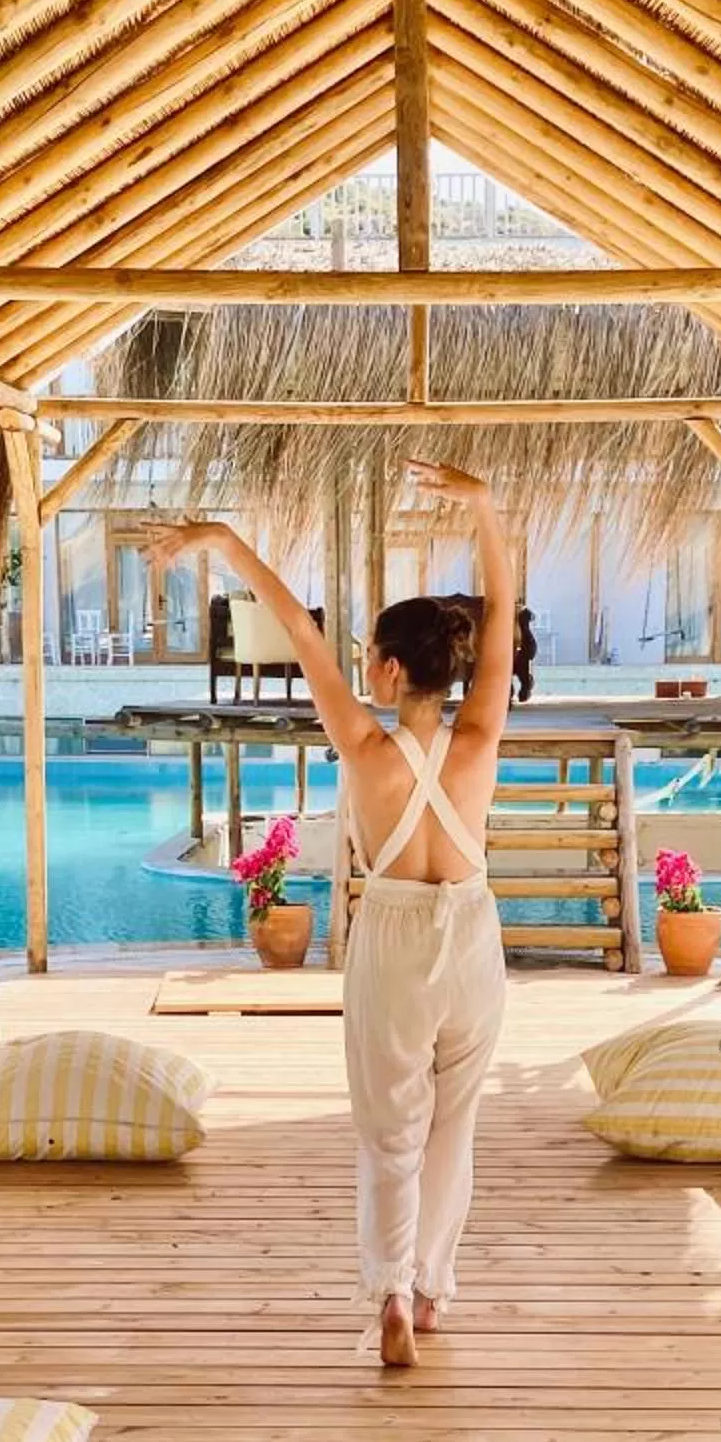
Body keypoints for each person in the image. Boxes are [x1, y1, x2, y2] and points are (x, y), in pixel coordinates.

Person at [150, 465, 514, 1369]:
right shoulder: (481, 736)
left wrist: (225, 543)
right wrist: (483, 509)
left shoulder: (360, 743)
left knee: (391, 1128)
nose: (360, 668)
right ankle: (429, 1292)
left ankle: (388, 1289)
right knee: (452, 1126)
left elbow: (299, 629)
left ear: (391, 670)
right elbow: (503, 613)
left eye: (369, 659)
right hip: (469, 933)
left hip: (391, 934)